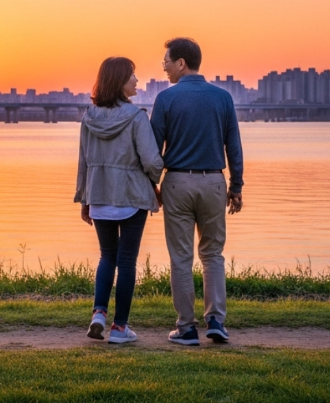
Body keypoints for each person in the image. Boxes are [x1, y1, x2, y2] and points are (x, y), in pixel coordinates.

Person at [151, 37, 244, 346]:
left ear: (181, 63)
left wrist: (153, 185)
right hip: (214, 183)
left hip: (177, 182)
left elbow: (153, 150)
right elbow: (234, 146)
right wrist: (237, 186)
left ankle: (186, 328)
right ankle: (216, 321)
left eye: (166, 60)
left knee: (181, 257)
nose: (163, 66)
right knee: (213, 254)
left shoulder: (166, 99)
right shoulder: (223, 98)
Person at [74, 56, 164, 344]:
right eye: (132, 76)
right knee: (126, 262)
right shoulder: (137, 117)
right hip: (131, 197)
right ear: (119, 81)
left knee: (106, 257)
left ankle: (98, 313)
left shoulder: (89, 117)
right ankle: (120, 328)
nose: (137, 81)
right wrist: (156, 181)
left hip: (99, 195)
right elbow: (151, 160)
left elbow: (83, 162)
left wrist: (84, 199)